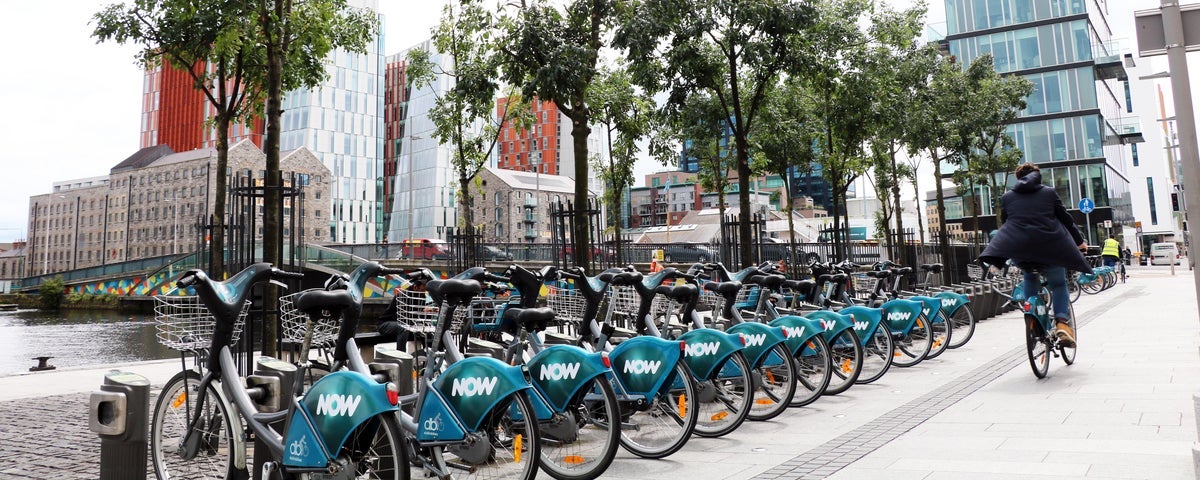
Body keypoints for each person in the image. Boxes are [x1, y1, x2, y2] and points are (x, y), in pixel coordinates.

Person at [980, 163, 1092, 347]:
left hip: (1020, 249)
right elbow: (1067, 221)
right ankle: (1062, 323)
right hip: (1049, 247)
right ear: (1037, 176)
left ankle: (1032, 321)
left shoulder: (1007, 197)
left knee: (1030, 277)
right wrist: (1080, 244)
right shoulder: (1049, 193)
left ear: (1019, 179)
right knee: (1058, 283)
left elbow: (1008, 224)